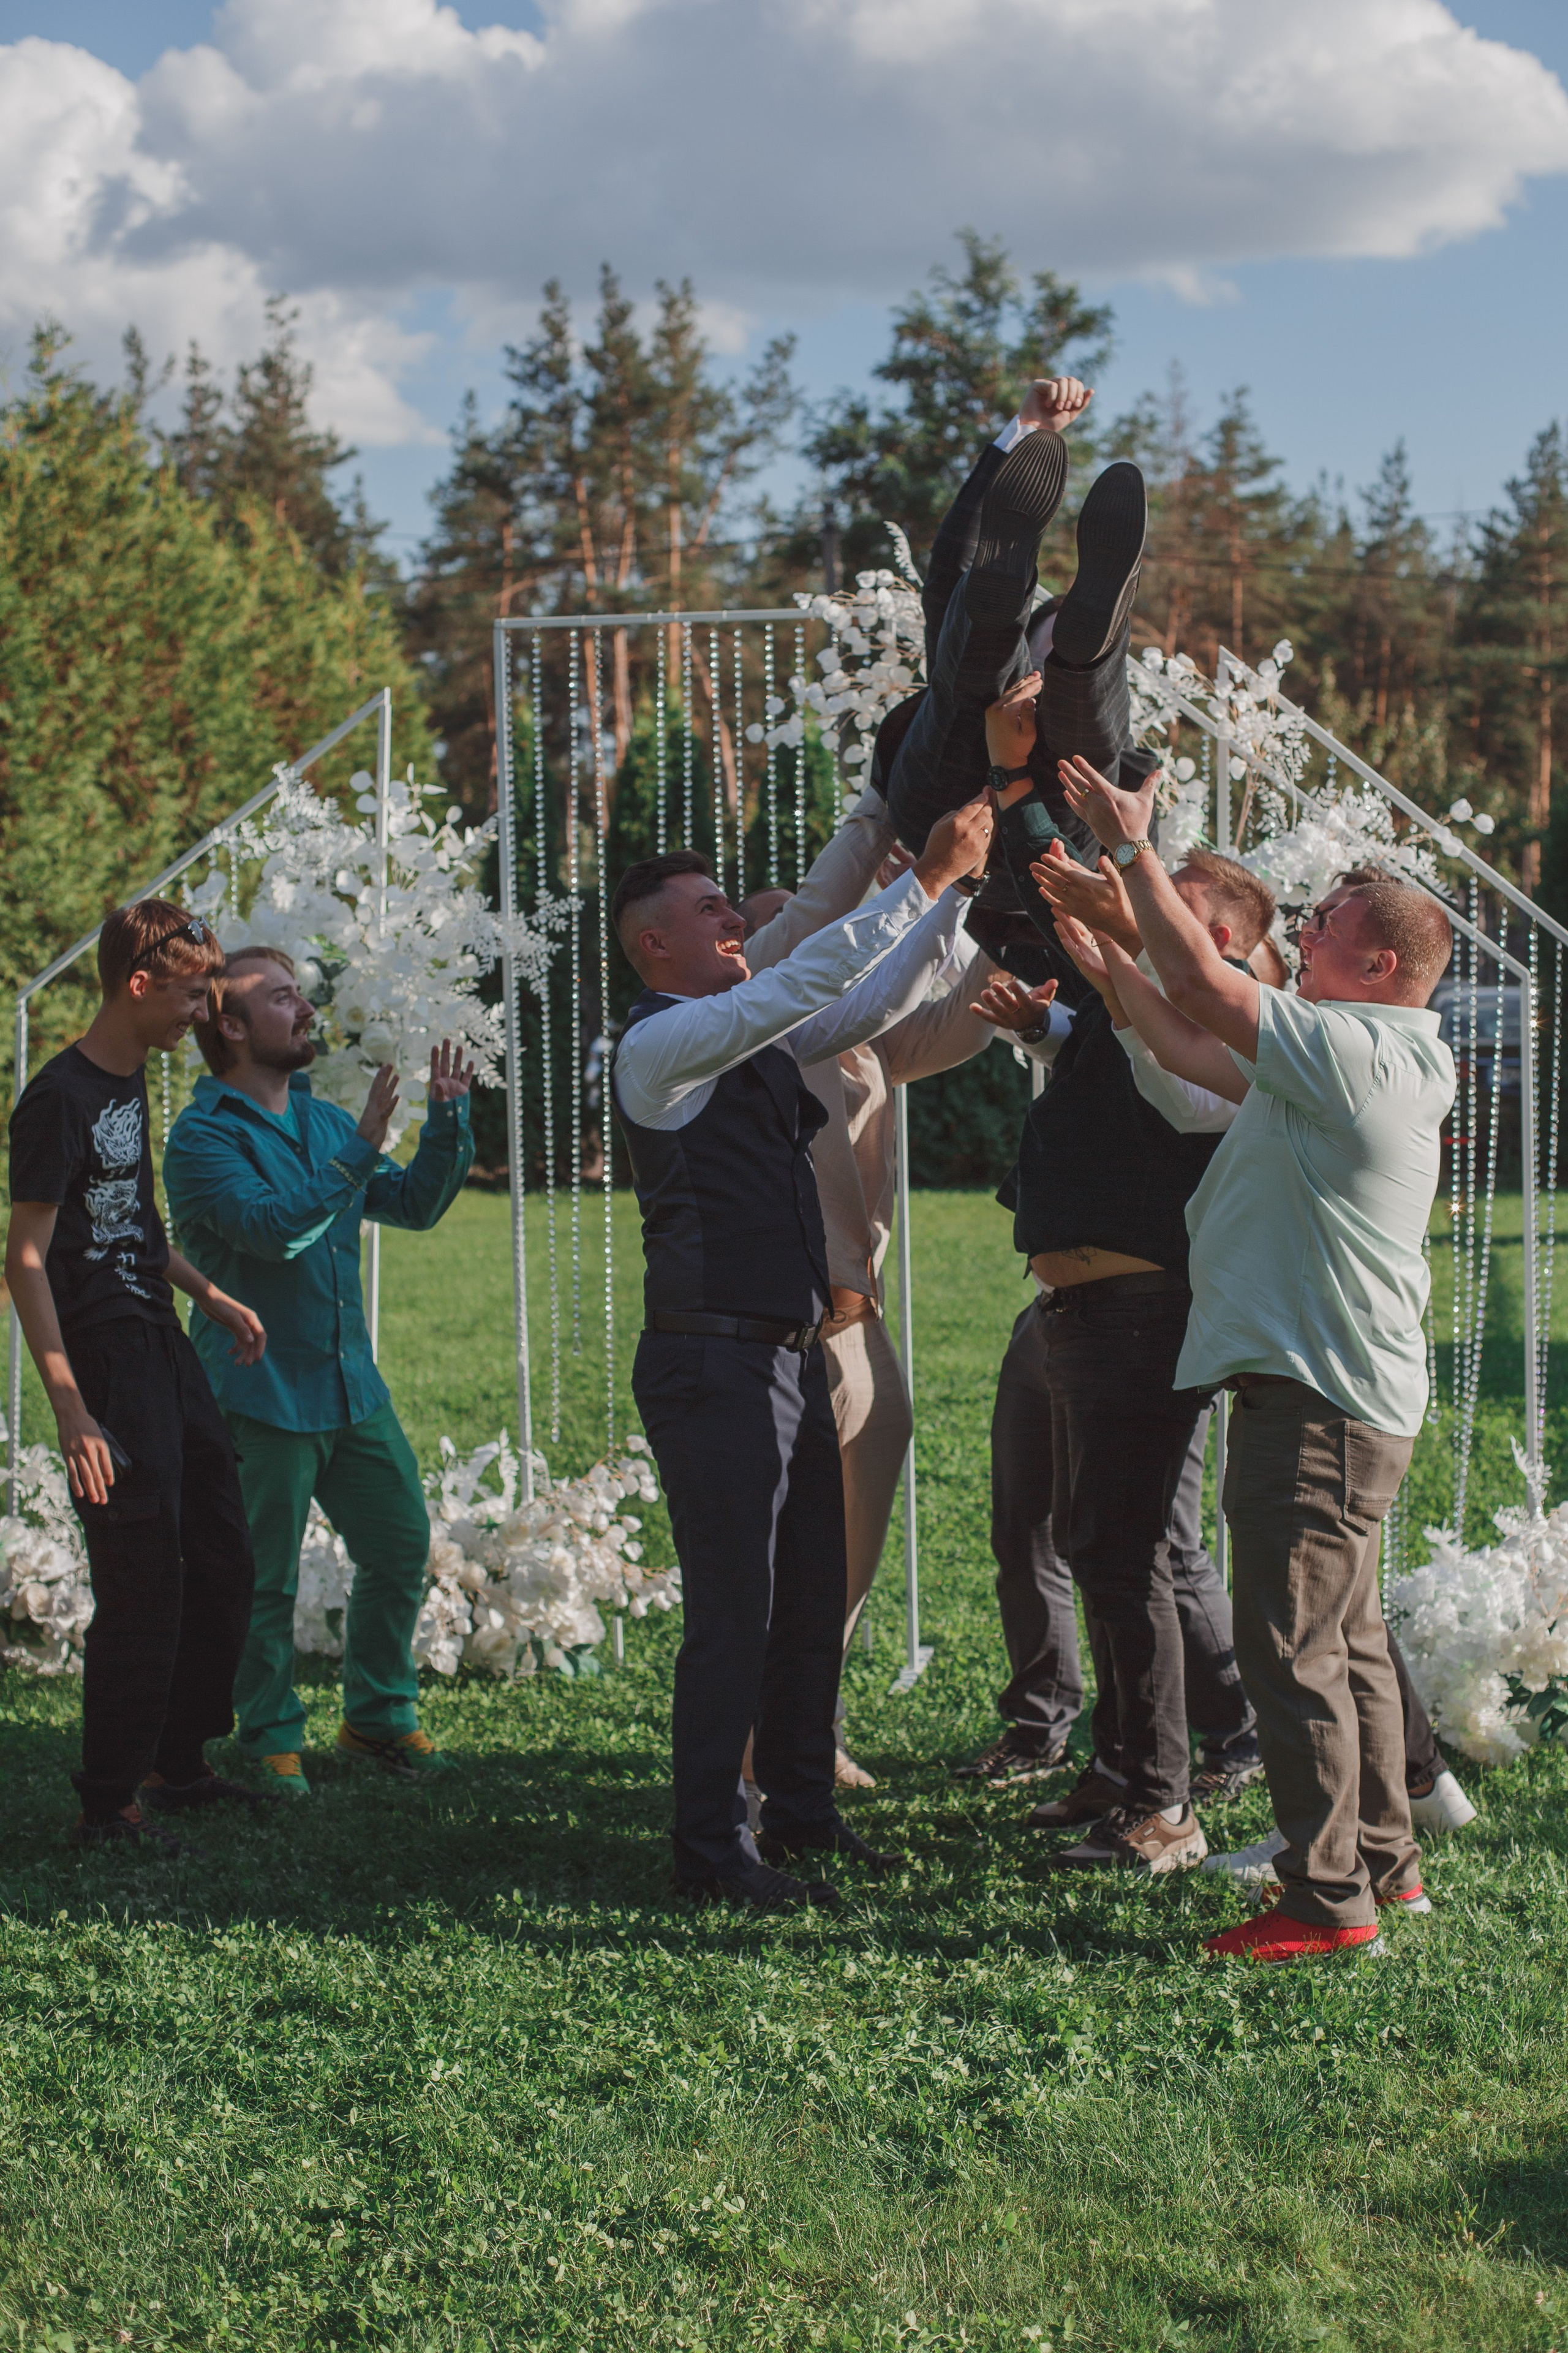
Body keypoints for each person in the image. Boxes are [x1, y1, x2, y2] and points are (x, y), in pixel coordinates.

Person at [1060, 755, 1456, 1961]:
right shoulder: (1346, 1054)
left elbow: (1202, 982)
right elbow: (1186, 1042)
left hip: (1319, 1398)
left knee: (1291, 1652)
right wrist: (1101, 951)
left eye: (1323, 924)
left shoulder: (1356, 1054)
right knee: (1338, 1646)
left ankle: (1325, 1901)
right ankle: (1383, 1870)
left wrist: (1131, 854)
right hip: (1338, 1389)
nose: (1295, 931)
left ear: (1376, 962)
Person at [609, 798, 992, 1911]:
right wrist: (917, 879)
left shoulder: (756, 1029)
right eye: (710, 907)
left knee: (809, 1590)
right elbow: (795, 980)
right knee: (738, 1608)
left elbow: (864, 996)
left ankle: (802, 1813)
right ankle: (710, 1849)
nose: (736, 916)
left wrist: (953, 891)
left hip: (786, 1358)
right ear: (655, 946)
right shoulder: (660, 1044)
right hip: (710, 1363)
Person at [738, 865, 1065, 1792]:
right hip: (785, 1329)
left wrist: (988, 887)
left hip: (859, 1324)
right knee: (780, 1558)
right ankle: (755, 1752)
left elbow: (965, 1008)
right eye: (784, 919)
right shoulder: (753, 1029)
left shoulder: (866, 1039)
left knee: (848, 1555)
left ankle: (805, 1727)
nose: (825, 928)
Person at [162, 946, 475, 1796]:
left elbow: (408, 1204)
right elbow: (271, 1231)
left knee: (401, 1543)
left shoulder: (326, 1121)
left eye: (302, 994)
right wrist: (362, 1147)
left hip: (351, 1390)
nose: (304, 1008)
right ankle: (268, 1737)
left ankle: (376, 1718)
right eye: (280, 996)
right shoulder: (201, 1140)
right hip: (260, 1395)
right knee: (263, 1578)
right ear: (229, 1025)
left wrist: (447, 1121)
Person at [5, 901, 267, 1850]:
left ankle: (178, 1759)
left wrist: (213, 1295)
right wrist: (72, 1408)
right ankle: (107, 1801)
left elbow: (132, 1227)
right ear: (142, 983)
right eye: (196, 995)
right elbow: (26, 1257)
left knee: (224, 1557)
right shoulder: (58, 1098)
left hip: (163, 1340)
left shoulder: (133, 1084)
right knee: (144, 1573)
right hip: (106, 1360)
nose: (203, 1015)